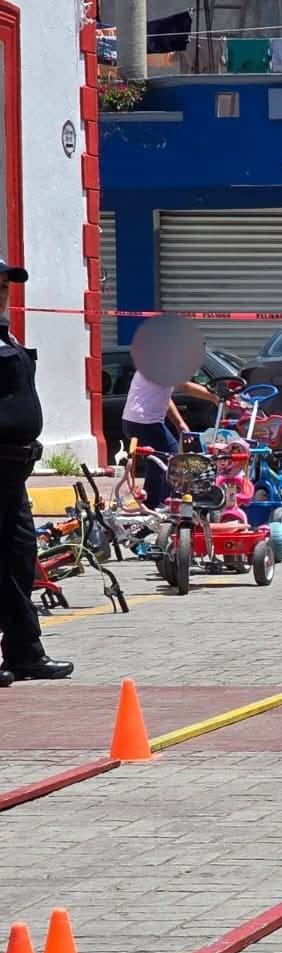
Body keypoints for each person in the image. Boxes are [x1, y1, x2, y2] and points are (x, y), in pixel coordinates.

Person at [0, 257, 72, 686]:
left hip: (15, 467)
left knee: (20, 558)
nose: (4, 294)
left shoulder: (6, 335)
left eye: (6, 287)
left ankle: (25, 652)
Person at [121, 369, 215, 507]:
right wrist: (215, 397)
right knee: (172, 460)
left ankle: (152, 504)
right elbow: (185, 387)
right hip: (144, 422)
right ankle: (164, 504)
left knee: (158, 462)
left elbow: (165, 396)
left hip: (137, 421)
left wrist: (180, 424)